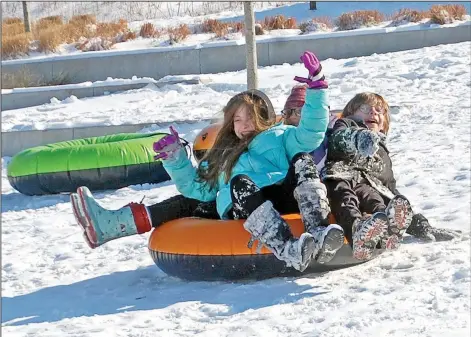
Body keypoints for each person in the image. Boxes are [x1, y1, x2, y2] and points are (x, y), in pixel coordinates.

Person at [74, 51, 345, 272]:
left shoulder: (280, 136)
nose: (244, 125)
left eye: (251, 117)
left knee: (301, 159)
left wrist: (318, 88)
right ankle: (289, 249)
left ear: (265, 117)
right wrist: (176, 159)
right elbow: (199, 190)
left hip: (282, 195)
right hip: (247, 203)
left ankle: (319, 230)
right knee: (235, 184)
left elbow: (311, 133)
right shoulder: (223, 155)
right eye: (238, 119)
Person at [321, 92, 461, 261]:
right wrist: (358, 137)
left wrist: (420, 225)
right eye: (365, 108)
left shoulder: (382, 152)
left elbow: (389, 190)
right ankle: (357, 232)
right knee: (345, 196)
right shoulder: (347, 124)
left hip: (368, 186)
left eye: (379, 110)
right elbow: (339, 138)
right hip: (339, 177)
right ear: (350, 113)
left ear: (384, 124)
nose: (373, 113)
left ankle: (387, 230)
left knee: (378, 201)